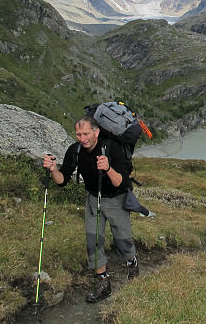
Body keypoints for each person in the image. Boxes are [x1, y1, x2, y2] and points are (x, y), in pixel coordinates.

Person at [43, 116, 140, 302]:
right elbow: (62, 180)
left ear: (96, 132)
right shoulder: (76, 150)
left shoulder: (112, 148)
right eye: (78, 134)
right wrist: (53, 169)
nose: (82, 138)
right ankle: (103, 283)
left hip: (116, 200)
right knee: (93, 241)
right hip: (92, 199)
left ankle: (132, 263)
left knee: (123, 241)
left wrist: (108, 168)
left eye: (86, 133)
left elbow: (123, 183)